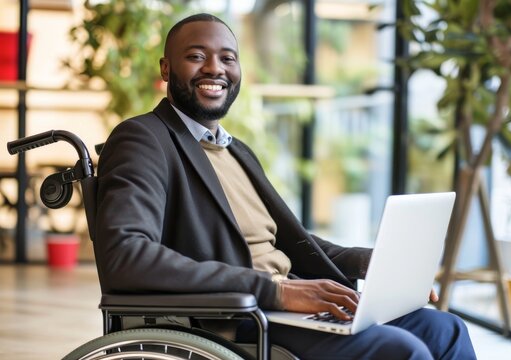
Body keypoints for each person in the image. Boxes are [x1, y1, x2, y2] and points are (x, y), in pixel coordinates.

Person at [94, 13, 477, 359]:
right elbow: (127, 256)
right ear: (166, 67)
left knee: (445, 329)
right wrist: (276, 291)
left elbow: (290, 242)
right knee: (401, 351)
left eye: (228, 58)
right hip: (235, 316)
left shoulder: (236, 150)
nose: (215, 68)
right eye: (196, 56)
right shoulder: (143, 138)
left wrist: (371, 262)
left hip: (283, 305)